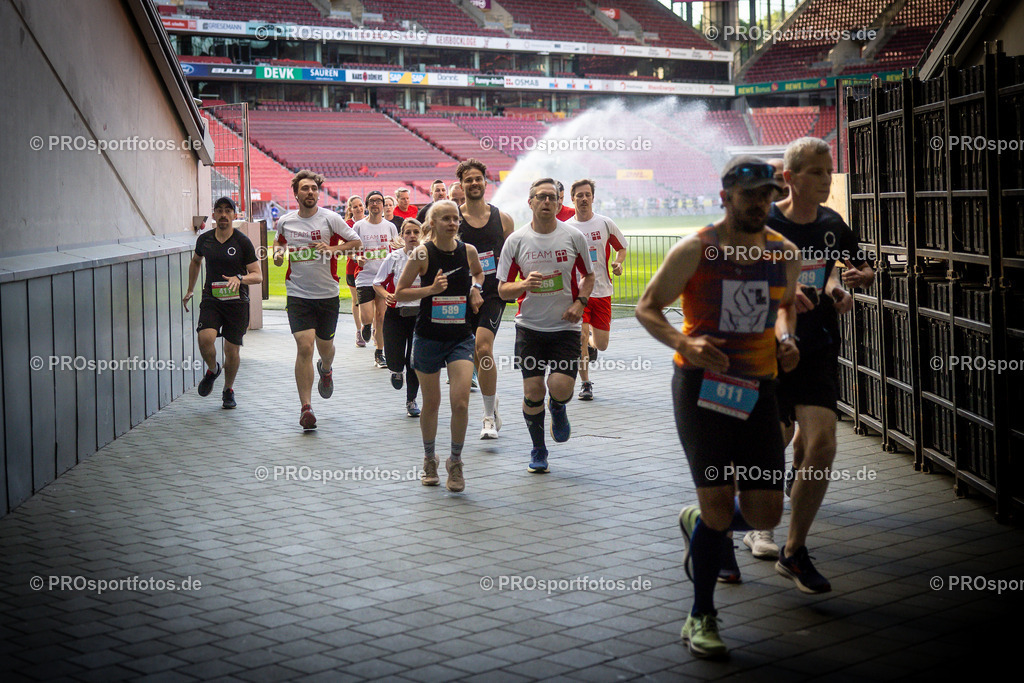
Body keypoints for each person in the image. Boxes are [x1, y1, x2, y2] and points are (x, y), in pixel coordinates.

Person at [635, 156, 801, 658]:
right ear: (726, 196)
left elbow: (783, 307)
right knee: (719, 504)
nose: (760, 203)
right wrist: (684, 344)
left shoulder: (784, 253)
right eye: (750, 195)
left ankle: (702, 520)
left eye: (767, 194)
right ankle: (701, 615)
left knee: (766, 510)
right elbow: (647, 307)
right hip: (701, 389)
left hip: (758, 389)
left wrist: (786, 339)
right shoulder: (696, 249)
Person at [738, 138, 875, 593]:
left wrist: (850, 282)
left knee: (822, 445)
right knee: (774, 440)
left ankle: (794, 551)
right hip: (768, 352)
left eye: (828, 170)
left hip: (817, 347)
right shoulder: (763, 224)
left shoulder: (833, 223)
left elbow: (855, 266)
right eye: (816, 171)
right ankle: (757, 525)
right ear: (791, 178)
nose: (825, 179)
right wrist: (780, 292)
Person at [497, 178, 595, 474]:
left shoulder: (573, 236)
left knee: (560, 388)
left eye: (552, 197)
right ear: (530, 202)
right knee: (533, 390)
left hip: (565, 327)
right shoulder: (516, 241)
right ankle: (538, 449)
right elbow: (502, 289)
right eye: (541, 197)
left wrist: (580, 303)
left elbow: (589, 276)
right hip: (529, 328)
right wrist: (524, 285)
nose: (547, 201)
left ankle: (558, 406)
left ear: (558, 202)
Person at [395, 201, 485, 492]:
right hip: (428, 337)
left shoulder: (468, 251)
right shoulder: (422, 253)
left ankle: (455, 462)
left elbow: (479, 273)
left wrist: (475, 288)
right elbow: (400, 292)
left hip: (460, 337)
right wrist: (431, 290)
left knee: (460, 402)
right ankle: (429, 458)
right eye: (446, 218)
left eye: (455, 218)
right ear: (432, 223)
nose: (452, 223)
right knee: (431, 403)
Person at [273, 170, 362, 430]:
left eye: (314, 188)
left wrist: (333, 249)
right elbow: (279, 243)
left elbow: (356, 242)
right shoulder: (286, 221)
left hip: (327, 295)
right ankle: (306, 408)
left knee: (325, 348)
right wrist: (278, 254)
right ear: (296, 194)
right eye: (305, 188)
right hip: (298, 293)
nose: (310, 192)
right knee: (304, 347)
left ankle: (326, 368)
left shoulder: (330, 219)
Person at [183, 197, 262, 409]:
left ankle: (228, 390)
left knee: (231, 350)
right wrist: (190, 289)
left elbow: (258, 275)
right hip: (212, 299)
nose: (224, 215)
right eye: (219, 210)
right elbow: (196, 261)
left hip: (237, 302)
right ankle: (213, 369)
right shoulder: (205, 240)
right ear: (214, 215)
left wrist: (240, 278)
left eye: (228, 210)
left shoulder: (242, 242)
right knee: (204, 338)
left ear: (234, 215)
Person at [456, 158, 515, 439]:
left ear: (485, 181)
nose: (474, 183)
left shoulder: (503, 219)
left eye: (478, 178)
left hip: (493, 293)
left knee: (483, 347)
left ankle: (488, 417)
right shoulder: (453, 219)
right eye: (468, 179)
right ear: (461, 185)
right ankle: (491, 398)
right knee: (475, 354)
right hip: (461, 295)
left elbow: (514, 257)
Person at [566, 179, 629, 401]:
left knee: (601, 344)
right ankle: (585, 384)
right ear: (572, 199)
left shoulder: (605, 223)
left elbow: (621, 247)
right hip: (579, 293)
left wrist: (618, 263)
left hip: (602, 291)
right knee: (580, 337)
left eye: (587, 195)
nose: (584, 199)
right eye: (579, 195)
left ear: (593, 197)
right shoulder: (566, 228)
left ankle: (592, 344)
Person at [374, 219, 426, 417]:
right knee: (395, 359)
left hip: (420, 316)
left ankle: (411, 400)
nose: (412, 236)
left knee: (414, 361)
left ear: (421, 235)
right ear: (402, 236)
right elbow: (377, 283)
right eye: (408, 232)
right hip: (396, 315)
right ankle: (396, 370)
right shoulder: (394, 257)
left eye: (416, 232)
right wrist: (386, 295)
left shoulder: (427, 257)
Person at [352, 190, 399, 369]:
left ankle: (380, 353)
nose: (375, 204)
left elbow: (396, 248)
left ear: (383, 205)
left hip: (384, 277)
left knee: (381, 316)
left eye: (379, 201)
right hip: (364, 276)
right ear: (367, 205)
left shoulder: (390, 227)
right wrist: (357, 257)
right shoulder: (359, 226)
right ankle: (365, 326)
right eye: (371, 201)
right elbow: (350, 249)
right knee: (367, 316)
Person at [345, 195, 368, 348]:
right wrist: (355, 257)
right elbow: (345, 248)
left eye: (360, 205)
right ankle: (359, 331)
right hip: (353, 268)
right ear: (350, 209)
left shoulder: (370, 221)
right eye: (355, 206)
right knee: (356, 301)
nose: (359, 209)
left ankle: (372, 328)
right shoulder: (347, 225)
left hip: (369, 267)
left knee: (372, 301)